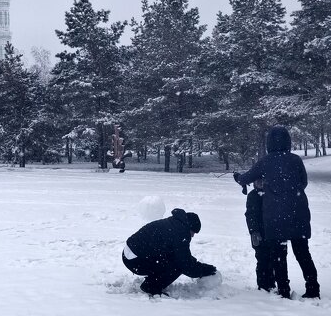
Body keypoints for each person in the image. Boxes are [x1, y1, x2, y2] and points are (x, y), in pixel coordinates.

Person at [234, 125, 320, 299]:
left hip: (275, 217)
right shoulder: (296, 160)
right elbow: (303, 183)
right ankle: (313, 289)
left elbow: (246, 178)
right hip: (298, 214)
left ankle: (283, 290)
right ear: (288, 141)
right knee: (303, 253)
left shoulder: (266, 161)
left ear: (269, 143)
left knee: (279, 256)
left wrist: (238, 177)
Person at [121, 208, 217, 296]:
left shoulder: (174, 223)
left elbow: (182, 255)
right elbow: (185, 264)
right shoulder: (180, 233)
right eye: (193, 232)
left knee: (173, 257)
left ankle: (152, 281)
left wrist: (199, 266)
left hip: (128, 254)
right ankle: (151, 286)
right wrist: (204, 270)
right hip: (135, 260)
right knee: (177, 265)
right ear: (190, 227)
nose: (192, 236)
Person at [244, 178, 275, 291]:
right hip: (258, 234)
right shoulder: (253, 195)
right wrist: (254, 231)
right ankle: (262, 285)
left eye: (262, 181)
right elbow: (250, 215)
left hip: (271, 233)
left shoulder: (271, 194)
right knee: (262, 259)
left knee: (272, 260)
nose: (260, 183)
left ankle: (271, 283)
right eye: (258, 181)